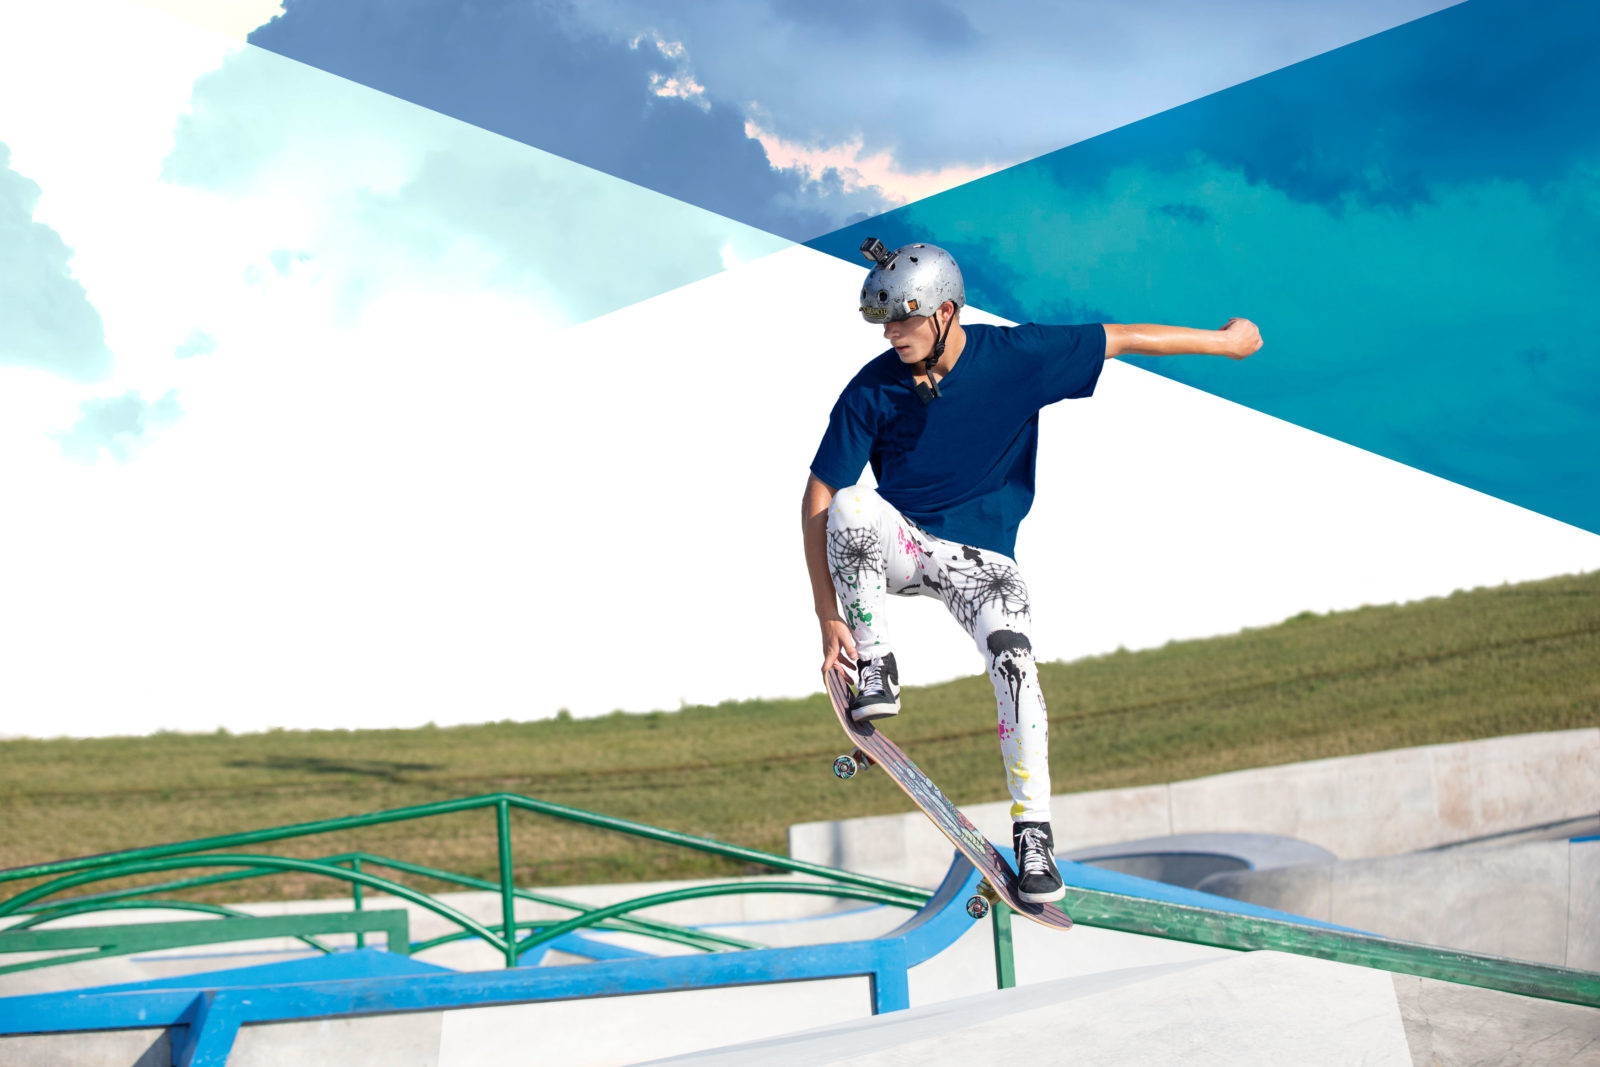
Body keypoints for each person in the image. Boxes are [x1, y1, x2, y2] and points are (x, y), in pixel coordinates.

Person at [802, 238, 1261, 903]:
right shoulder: (871, 388)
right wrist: (829, 617)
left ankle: (1035, 833)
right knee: (845, 504)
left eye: (905, 318)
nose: (893, 334)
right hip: (905, 546)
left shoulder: (1017, 358)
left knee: (1016, 662)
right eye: (885, 322)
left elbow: (1123, 338)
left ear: (947, 311)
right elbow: (816, 500)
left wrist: (1227, 343)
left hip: (987, 565)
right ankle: (878, 663)